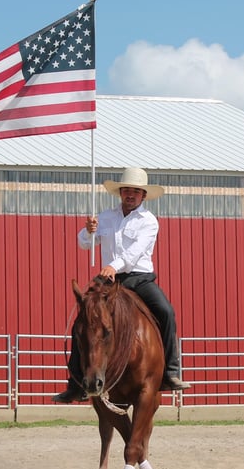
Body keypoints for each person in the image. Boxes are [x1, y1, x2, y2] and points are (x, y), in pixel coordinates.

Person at [52, 167, 191, 403]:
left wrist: (114, 266)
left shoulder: (149, 221)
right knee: (84, 321)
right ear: (120, 192)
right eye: (127, 190)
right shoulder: (105, 216)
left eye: (136, 191)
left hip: (139, 278)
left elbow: (135, 253)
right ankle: (75, 383)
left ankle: (170, 372)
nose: (131, 194)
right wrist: (87, 232)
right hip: (110, 279)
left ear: (143, 196)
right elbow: (84, 244)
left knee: (166, 312)